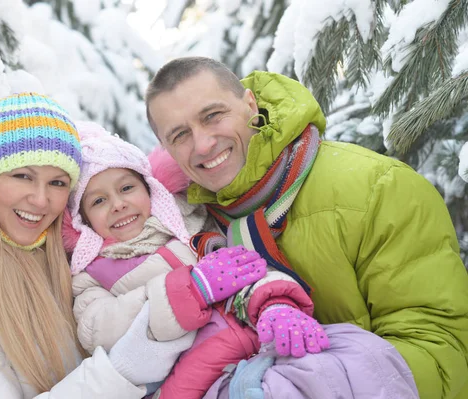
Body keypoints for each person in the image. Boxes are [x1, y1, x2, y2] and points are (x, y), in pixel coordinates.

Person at [145, 57, 468, 399]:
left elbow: (442, 352)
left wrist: (309, 385)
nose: (203, 144)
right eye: (180, 135)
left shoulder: (376, 188)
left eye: (212, 116)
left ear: (249, 104)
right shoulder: (188, 230)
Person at [0, 93, 196, 399]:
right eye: (23, 176)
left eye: (57, 183)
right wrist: (119, 372)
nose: (41, 199)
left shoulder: (67, 258)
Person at [61, 121, 329, 398]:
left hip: (256, 345)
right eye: (98, 201)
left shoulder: (192, 228)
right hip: (189, 380)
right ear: (83, 220)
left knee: (353, 355)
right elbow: (98, 329)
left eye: (127, 188)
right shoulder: (93, 272)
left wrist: (274, 303)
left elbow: (247, 266)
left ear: (150, 188)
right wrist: (190, 290)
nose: (118, 204)